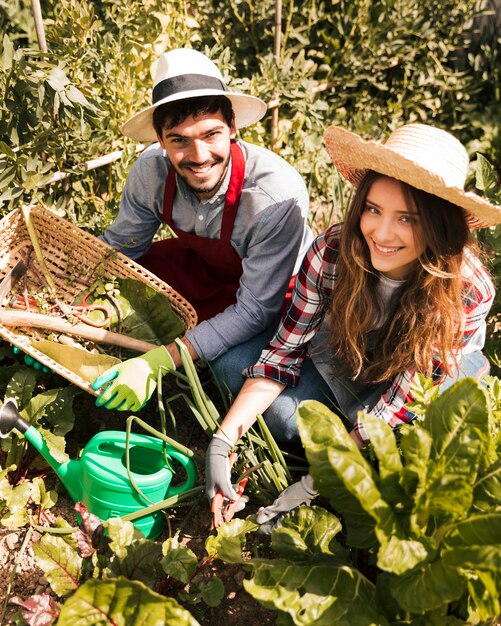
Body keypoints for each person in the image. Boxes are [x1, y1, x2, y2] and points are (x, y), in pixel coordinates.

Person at [204, 122, 500, 532]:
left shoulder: (466, 289)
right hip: (354, 351)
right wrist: (224, 440)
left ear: (440, 225)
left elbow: (405, 396)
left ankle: (347, 442)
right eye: (373, 209)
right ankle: (342, 430)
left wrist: (309, 488)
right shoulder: (333, 252)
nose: (381, 233)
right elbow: (285, 351)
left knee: (408, 451)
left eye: (407, 219)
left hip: (420, 379)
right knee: (239, 377)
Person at [92, 48, 312, 410]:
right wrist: (63, 295)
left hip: (271, 298)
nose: (198, 155)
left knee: (229, 370)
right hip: (208, 274)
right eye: (178, 140)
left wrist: (161, 359)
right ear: (160, 141)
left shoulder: (273, 195)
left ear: (233, 128)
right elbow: (121, 249)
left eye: (211, 134)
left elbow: (255, 309)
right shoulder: (151, 172)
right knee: (139, 272)